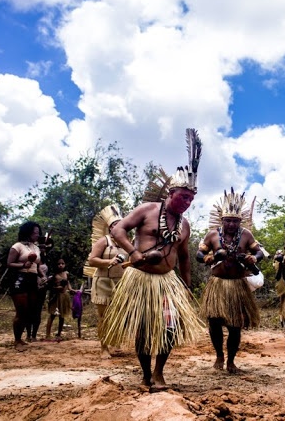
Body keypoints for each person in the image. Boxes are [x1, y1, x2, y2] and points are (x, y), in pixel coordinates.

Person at [100, 128, 206, 391]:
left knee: (169, 329)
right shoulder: (147, 210)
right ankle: (146, 374)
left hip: (168, 283)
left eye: (191, 199)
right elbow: (117, 229)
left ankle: (160, 374)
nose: (187, 202)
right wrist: (134, 253)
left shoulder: (185, 225)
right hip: (141, 279)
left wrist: (187, 284)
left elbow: (184, 257)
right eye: (183, 197)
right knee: (145, 329)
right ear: (171, 194)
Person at [196, 188, 262, 373]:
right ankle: (219, 355)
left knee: (235, 326)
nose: (231, 224)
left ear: (240, 221)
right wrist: (210, 258)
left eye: (235, 221)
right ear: (222, 220)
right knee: (214, 323)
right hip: (217, 285)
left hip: (237, 286)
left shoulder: (247, 235)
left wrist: (254, 258)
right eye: (228, 221)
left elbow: (258, 252)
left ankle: (231, 361)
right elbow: (199, 254)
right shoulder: (212, 235)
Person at [86, 205, 127, 358]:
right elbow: (92, 260)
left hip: (120, 283)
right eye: (115, 225)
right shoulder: (104, 241)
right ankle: (104, 348)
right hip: (103, 281)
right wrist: (109, 262)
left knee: (118, 315)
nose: (119, 227)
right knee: (104, 316)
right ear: (110, 228)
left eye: (121, 225)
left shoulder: (126, 242)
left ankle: (116, 342)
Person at [7, 221, 43, 351]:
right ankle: (17, 340)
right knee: (21, 311)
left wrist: (42, 275)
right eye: (35, 233)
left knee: (29, 311)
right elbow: (9, 263)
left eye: (38, 233)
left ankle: (21, 339)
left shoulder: (36, 247)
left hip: (32, 279)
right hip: (20, 279)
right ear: (28, 233)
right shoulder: (17, 246)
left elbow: (37, 265)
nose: (37, 235)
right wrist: (23, 265)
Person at [45, 258, 74, 340]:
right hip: (56, 296)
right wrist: (58, 287)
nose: (61, 265)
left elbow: (68, 283)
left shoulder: (66, 273)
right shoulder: (53, 276)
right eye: (59, 264)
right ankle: (47, 335)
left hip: (64, 296)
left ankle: (59, 334)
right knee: (53, 315)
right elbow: (50, 287)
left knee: (62, 316)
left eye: (62, 263)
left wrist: (71, 289)